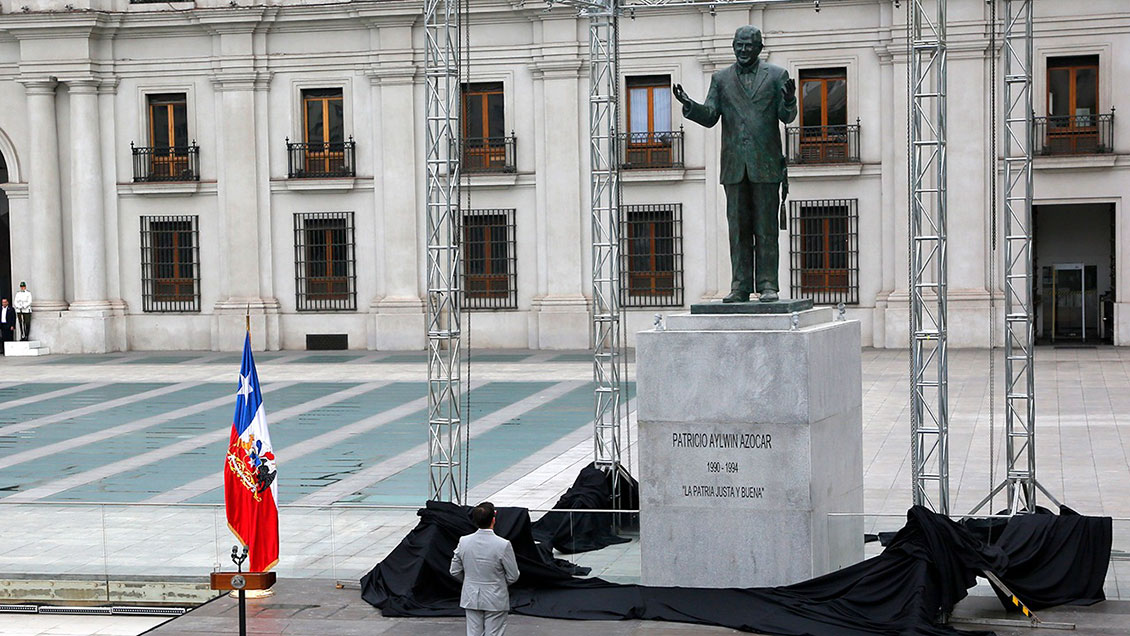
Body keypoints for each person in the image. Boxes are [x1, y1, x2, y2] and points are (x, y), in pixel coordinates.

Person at [673, 25, 797, 303]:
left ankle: (767, 285)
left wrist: (789, 99)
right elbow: (710, 116)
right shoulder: (720, 78)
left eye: (749, 46)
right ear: (733, 46)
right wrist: (689, 105)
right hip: (733, 166)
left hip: (765, 165)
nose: (743, 50)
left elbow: (786, 116)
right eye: (739, 45)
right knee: (737, 230)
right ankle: (740, 286)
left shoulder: (777, 76)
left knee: (766, 229)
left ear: (759, 48)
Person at [449, 502, 520, 636]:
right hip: (495, 596)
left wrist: (470, 581)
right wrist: (498, 583)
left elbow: (454, 570)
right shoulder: (503, 545)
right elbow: (513, 575)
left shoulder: (464, 541)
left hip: (471, 595)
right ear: (493, 519)